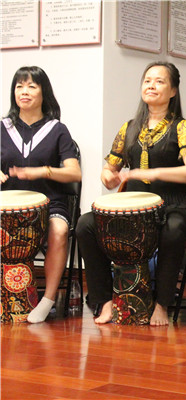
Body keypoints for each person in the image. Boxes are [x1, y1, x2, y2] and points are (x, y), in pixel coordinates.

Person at [76, 62, 186, 326]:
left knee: (173, 230)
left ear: (173, 90)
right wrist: (108, 176)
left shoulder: (182, 127)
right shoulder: (129, 127)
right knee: (85, 225)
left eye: (159, 81)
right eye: (147, 81)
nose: (151, 86)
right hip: (134, 206)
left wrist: (155, 173)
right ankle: (105, 301)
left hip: (172, 204)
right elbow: (109, 170)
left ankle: (162, 304)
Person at [1, 66, 82, 323]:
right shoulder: (2, 127)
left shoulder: (57, 130)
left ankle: (47, 300)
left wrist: (43, 171)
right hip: (7, 206)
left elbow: (74, 173)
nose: (24, 92)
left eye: (31, 86)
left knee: (59, 230)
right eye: (19, 86)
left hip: (50, 203)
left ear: (43, 92)